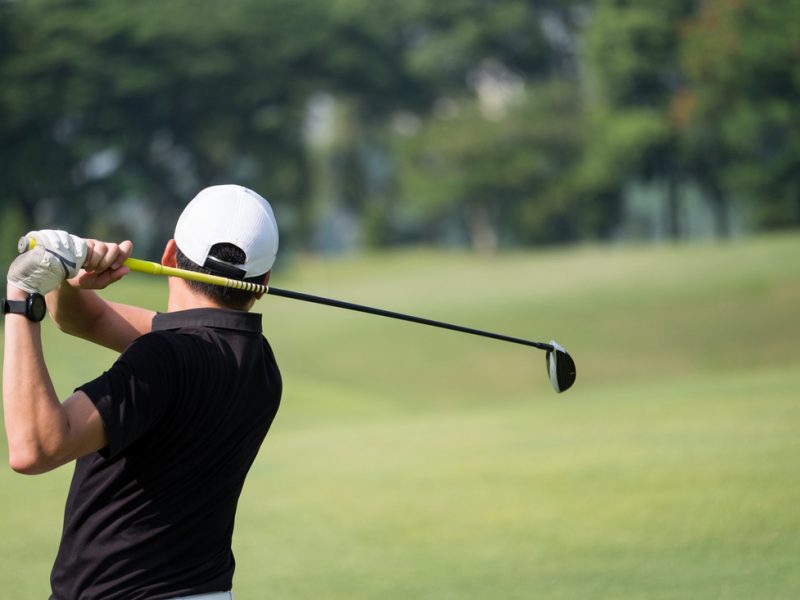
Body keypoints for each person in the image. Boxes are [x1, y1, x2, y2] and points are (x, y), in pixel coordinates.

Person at [2, 185, 282, 599]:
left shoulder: (165, 356)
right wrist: (71, 279)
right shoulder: (259, 362)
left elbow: (35, 446)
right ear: (264, 282)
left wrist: (22, 296)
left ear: (169, 256)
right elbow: (85, 321)